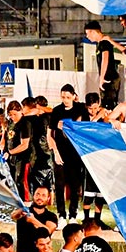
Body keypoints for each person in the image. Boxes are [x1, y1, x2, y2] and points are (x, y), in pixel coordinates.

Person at [47, 84, 87, 223]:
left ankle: (73, 213)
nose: (65, 100)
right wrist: (55, 152)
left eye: (68, 97)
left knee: (75, 184)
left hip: (75, 153)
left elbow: (86, 126)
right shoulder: (57, 110)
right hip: (60, 152)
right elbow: (50, 134)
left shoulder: (80, 108)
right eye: (63, 97)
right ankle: (61, 214)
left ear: (74, 96)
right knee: (59, 184)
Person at [85, 21, 120, 108]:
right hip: (107, 78)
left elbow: (105, 59)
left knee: (108, 105)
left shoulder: (104, 42)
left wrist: (102, 78)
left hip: (109, 78)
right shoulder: (100, 43)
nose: (87, 36)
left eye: (88, 33)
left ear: (93, 32)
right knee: (105, 103)